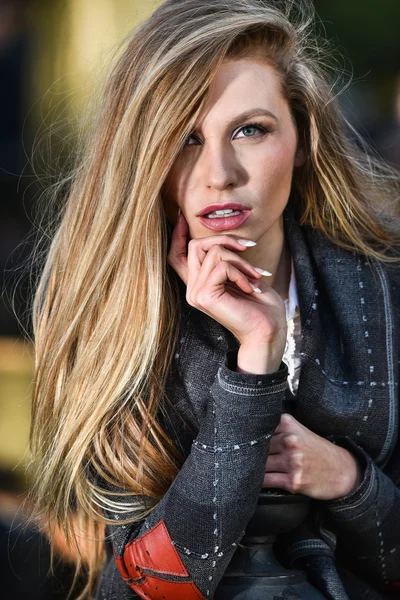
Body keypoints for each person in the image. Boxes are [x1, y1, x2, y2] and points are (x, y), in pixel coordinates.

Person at [27, 1, 400, 599]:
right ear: (143, 156)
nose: (219, 172)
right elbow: (150, 585)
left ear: (302, 139)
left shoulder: (386, 287)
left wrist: (352, 481)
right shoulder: (106, 317)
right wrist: (254, 367)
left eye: (250, 130)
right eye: (185, 138)